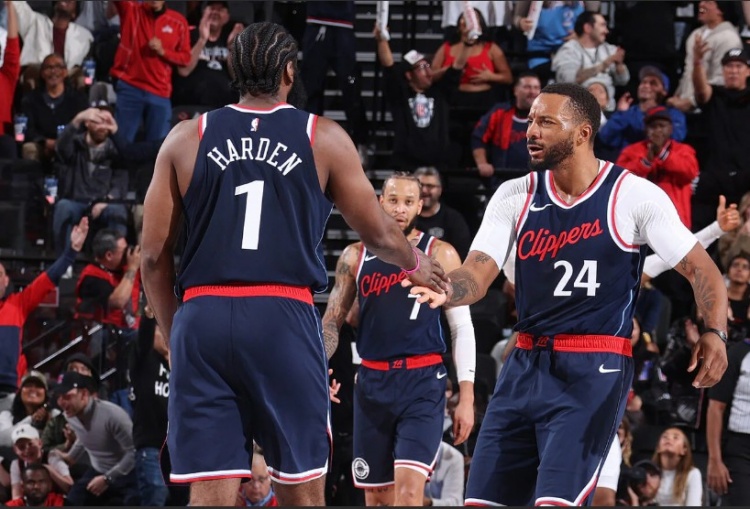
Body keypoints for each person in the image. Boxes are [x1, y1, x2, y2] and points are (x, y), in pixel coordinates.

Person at [140, 21, 448, 507]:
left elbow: (152, 257)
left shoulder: (185, 137)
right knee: (302, 493)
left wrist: (175, 330)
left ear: (233, 69)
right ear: (289, 71)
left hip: (203, 315)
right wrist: (416, 263)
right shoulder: (321, 135)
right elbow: (378, 233)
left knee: (209, 494)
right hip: (281, 314)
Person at [405, 82, 729, 506]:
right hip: (524, 362)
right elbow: (478, 271)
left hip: (593, 367)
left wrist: (715, 331)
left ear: (582, 133)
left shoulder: (633, 195)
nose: (531, 131)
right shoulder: (514, 194)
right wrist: (446, 288)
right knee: (481, 502)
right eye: (531, 121)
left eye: (546, 122)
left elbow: (702, 270)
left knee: (556, 502)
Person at [320, 173, 476, 506]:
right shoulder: (355, 255)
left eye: (408, 202)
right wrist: (317, 369)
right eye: (393, 200)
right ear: (380, 202)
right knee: (377, 498)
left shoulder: (441, 252)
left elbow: (461, 327)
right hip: (372, 382)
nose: (400, 209)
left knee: (408, 494)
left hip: (422, 381)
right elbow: (331, 322)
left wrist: (466, 396)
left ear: (420, 206)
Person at [0, 218, 88, 414]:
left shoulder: (17, 304)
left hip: (10, 390)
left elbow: (47, 279)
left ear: (6, 281)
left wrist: (71, 252)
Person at [52, 371, 138, 506]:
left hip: (128, 474)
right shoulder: (70, 414)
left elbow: (134, 453)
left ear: (84, 394)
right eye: (59, 397)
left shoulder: (113, 416)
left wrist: (108, 478)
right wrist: (71, 456)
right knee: (72, 500)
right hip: (98, 470)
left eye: (67, 396)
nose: (61, 402)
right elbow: (84, 435)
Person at [615, 105, 699, 229]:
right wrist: (646, 162)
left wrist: (662, 154)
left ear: (671, 128)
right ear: (646, 129)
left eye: (662, 126)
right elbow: (619, 179)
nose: (658, 130)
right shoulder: (631, 151)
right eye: (653, 126)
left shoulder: (684, 150)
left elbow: (690, 173)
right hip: (640, 220)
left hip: (676, 221)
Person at [552, 11, 629, 112]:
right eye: (602, 25)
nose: (606, 31)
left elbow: (623, 81)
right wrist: (603, 65)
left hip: (608, 111)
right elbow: (568, 80)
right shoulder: (569, 50)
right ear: (587, 28)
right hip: (579, 112)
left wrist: (619, 65)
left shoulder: (609, 49)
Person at [413, 167, 472, 261]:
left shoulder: (454, 219)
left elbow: (463, 255)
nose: (424, 190)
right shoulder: (405, 217)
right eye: (420, 186)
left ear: (440, 190)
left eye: (430, 186)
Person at [652, 427, 703, 506]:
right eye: (665, 437)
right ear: (658, 448)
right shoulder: (649, 472)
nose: (669, 439)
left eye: (675, 437)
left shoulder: (692, 474)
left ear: (684, 450)